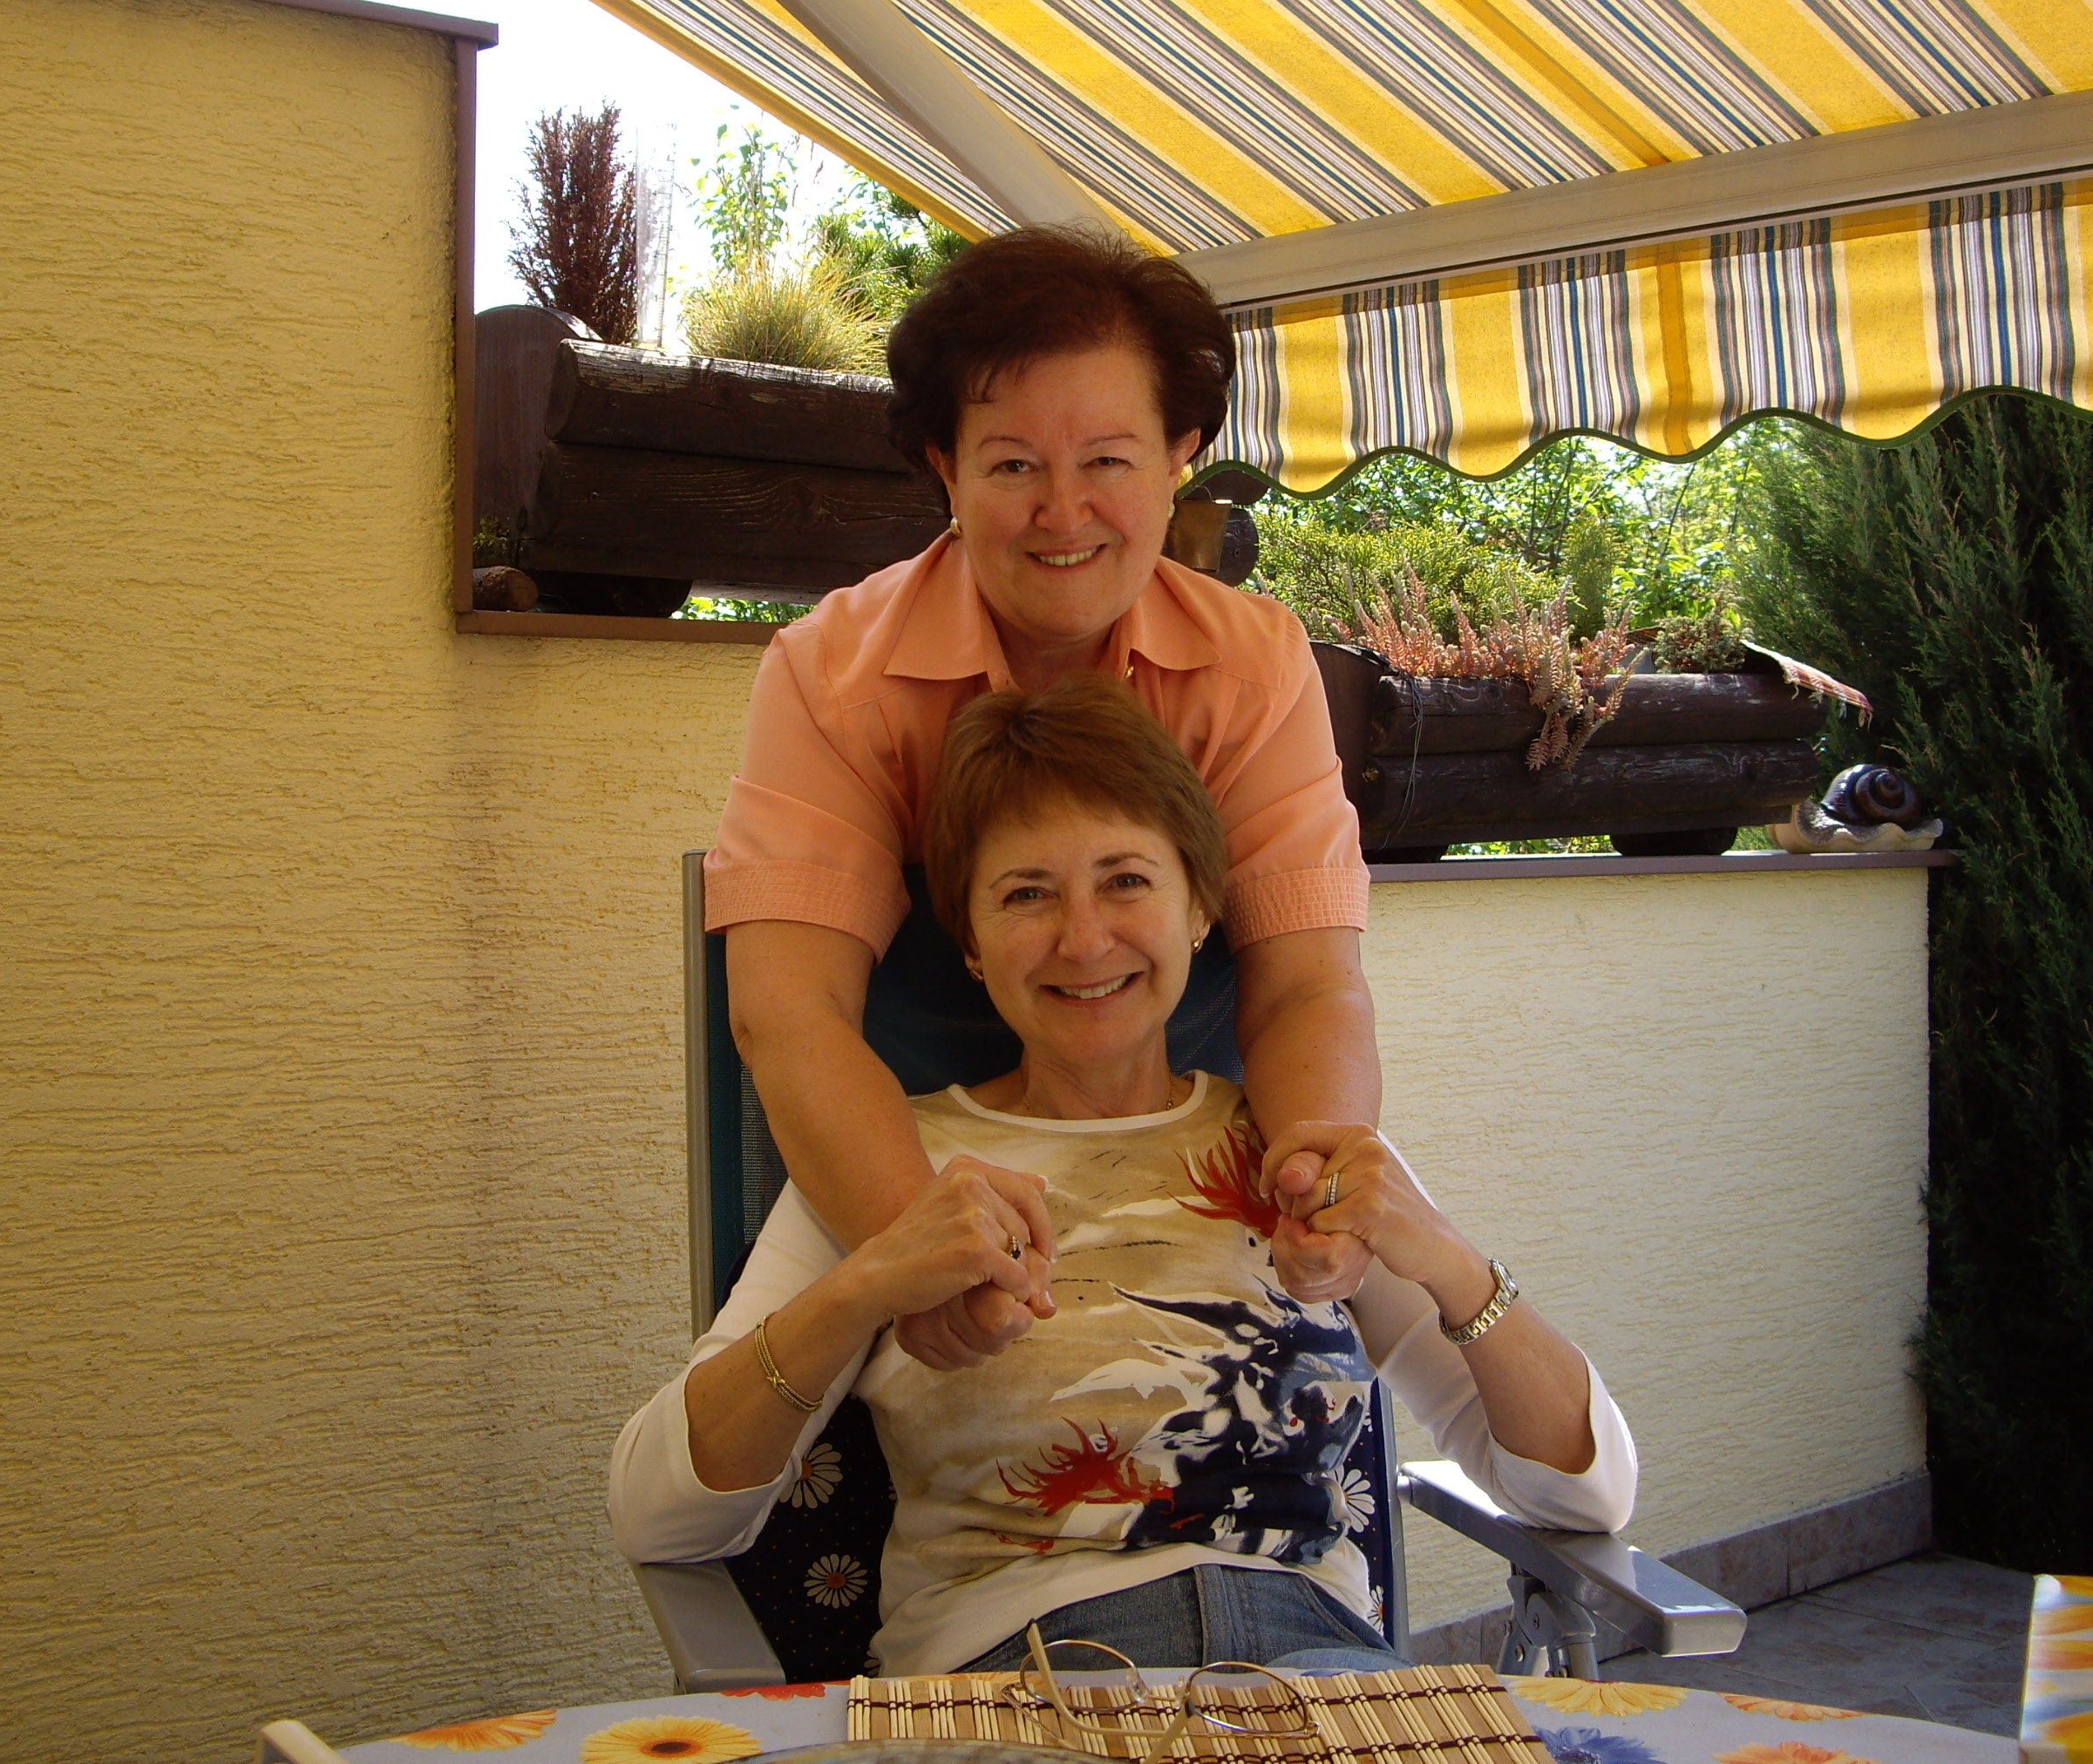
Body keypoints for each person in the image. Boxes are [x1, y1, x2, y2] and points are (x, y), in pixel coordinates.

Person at [615, 677, 1637, 1678]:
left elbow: (1589, 1498)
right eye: (1026, 895)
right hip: (1026, 1681)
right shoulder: (888, 1169)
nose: (1085, 939)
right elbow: (660, 1516)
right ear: (970, 943)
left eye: (1127, 881)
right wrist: (864, 1285)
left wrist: (1451, 1264)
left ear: (1200, 908)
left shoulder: (1305, 1157)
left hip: (1320, 1674)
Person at [708, 226, 1383, 1371]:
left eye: (1108, 461)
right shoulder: (831, 675)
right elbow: (791, 1011)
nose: (1063, 514)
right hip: (910, 1157)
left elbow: (1310, 983)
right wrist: (919, 1250)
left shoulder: (1255, 666)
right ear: (947, 468)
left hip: (1190, 1153)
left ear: (1180, 457)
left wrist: (1317, 1182)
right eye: (1014, 465)